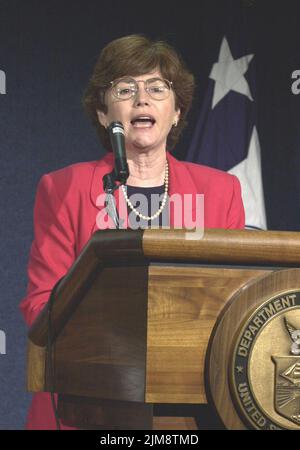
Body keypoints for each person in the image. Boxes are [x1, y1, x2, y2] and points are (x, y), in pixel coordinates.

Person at [20, 34, 245, 430]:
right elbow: (42, 308)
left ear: (177, 112)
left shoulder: (219, 191)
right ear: (104, 114)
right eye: (125, 88)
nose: (142, 98)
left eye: (157, 88)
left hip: (189, 410)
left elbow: (234, 306)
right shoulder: (64, 188)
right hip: (86, 405)